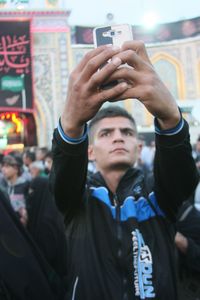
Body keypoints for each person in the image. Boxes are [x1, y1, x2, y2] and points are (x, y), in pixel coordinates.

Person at [50, 41, 199, 299]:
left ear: (139, 147)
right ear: (90, 151)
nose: (118, 138)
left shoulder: (157, 196)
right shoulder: (79, 199)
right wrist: (72, 124)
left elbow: (181, 178)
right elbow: (62, 181)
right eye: (106, 133)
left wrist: (172, 119)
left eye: (127, 132)